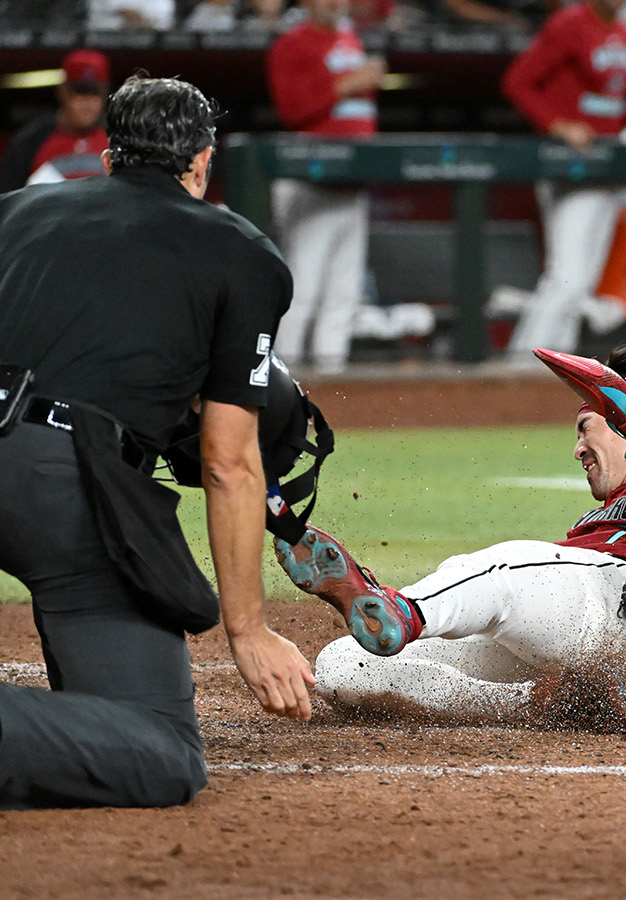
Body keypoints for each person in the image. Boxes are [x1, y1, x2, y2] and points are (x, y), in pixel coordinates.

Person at [0, 76, 312, 809]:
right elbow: (228, 462)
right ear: (202, 163)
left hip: (47, 467)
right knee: (159, 750)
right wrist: (248, 629)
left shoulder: (12, 212)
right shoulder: (239, 251)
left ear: (109, 158)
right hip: (63, 488)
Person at [278, 344, 626, 730]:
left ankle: (402, 611)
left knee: (503, 567)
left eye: (587, 427)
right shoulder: (595, 521)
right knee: (342, 666)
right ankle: (544, 703)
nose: (578, 448)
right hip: (565, 640)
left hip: (612, 610)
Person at [500, 0, 626, 363]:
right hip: (571, 167)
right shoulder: (570, 23)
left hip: (608, 164)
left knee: (581, 282)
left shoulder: (620, 29)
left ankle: (555, 366)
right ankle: (520, 365)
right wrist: (557, 124)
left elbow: (608, 99)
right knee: (567, 277)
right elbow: (517, 81)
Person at [267, 0, 385, 374]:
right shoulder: (292, 42)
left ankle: (332, 380)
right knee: (302, 291)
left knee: (343, 293)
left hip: (352, 184)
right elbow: (291, 108)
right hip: (310, 182)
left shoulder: (350, 37)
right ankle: (282, 381)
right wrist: (348, 83)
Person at [0, 50, 110, 193]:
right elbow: (8, 196)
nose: (87, 104)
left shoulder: (117, 138)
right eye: (80, 92)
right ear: (62, 91)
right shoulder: (31, 140)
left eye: (95, 94)